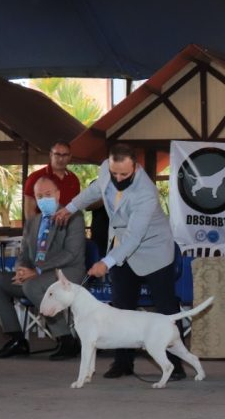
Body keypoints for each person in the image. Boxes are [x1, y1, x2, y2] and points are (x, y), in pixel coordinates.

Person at [54, 143, 186, 380]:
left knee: (166, 308)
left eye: (124, 174)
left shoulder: (146, 192)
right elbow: (95, 191)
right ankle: (123, 362)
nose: (117, 178)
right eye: (114, 173)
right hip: (120, 246)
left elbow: (135, 237)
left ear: (135, 166)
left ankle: (176, 364)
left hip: (153, 251)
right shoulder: (107, 168)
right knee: (121, 306)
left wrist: (107, 262)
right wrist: (70, 207)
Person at [0, 176, 85, 360]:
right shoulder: (32, 221)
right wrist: (20, 269)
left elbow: (72, 254)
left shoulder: (74, 216)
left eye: (48, 194)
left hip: (66, 275)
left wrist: (37, 271)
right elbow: (24, 253)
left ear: (58, 194)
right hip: (34, 275)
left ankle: (67, 340)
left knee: (33, 286)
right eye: (39, 196)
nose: (44, 199)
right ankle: (16, 339)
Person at [23, 140, 81, 219]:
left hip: (69, 227)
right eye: (57, 154)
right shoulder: (35, 177)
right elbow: (29, 212)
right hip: (43, 227)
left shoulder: (73, 179)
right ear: (51, 155)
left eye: (65, 155)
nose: (61, 159)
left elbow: (76, 206)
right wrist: (36, 230)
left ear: (70, 157)